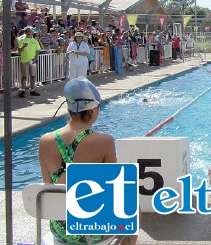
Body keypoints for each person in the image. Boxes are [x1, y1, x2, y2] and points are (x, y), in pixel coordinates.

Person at [38, 77, 137, 244]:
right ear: (92, 110)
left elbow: (48, 187)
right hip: (94, 231)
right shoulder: (104, 141)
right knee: (134, 207)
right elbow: (113, 192)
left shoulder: (45, 141)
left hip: (60, 229)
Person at [17, 26, 41, 97]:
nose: (29, 33)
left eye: (30, 31)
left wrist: (35, 58)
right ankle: (23, 90)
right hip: (24, 60)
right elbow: (19, 50)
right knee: (24, 76)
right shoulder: (22, 40)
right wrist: (23, 46)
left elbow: (37, 50)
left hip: (32, 60)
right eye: (27, 31)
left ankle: (32, 90)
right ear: (25, 32)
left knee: (33, 75)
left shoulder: (35, 41)